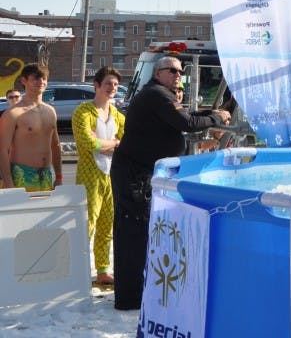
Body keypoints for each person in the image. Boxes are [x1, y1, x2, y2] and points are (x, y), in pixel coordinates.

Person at [110, 56, 230, 311]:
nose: (178, 74)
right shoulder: (157, 94)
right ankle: (128, 299)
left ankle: (135, 293)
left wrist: (214, 114)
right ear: (158, 73)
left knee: (141, 234)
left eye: (181, 71)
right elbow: (186, 123)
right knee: (132, 234)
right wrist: (215, 118)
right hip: (134, 173)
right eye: (172, 70)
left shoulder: (162, 95)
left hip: (142, 172)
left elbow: (188, 116)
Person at [71, 66, 126, 287]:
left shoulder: (118, 115)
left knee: (107, 223)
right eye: (108, 84)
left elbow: (126, 145)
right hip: (89, 174)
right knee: (87, 224)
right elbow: (87, 142)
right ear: (96, 85)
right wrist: (113, 143)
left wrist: (106, 145)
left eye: (115, 84)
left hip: (111, 174)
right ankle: (79, 271)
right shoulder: (83, 112)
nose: (112, 88)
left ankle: (103, 270)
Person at [0, 64, 62, 191]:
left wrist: (59, 176)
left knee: (44, 211)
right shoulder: (13, 113)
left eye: (44, 78)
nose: (41, 82)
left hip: (45, 176)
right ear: (24, 80)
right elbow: (2, 151)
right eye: (35, 78)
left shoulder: (50, 111)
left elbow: (55, 146)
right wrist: (8, 183)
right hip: (20, 177)